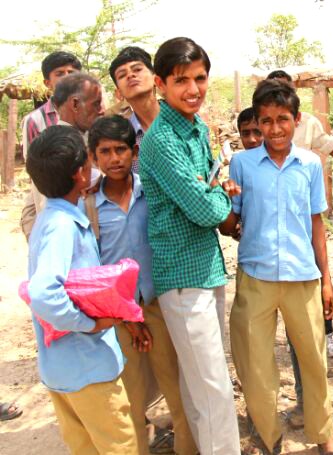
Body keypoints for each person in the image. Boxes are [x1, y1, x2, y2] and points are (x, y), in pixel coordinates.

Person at [222, 79, 333, 455]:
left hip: (303, 277)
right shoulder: (241, 164)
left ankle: (323, 434)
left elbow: (316, 224)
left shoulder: (309, 164)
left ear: (297, 120)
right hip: (255, 277)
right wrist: (222, 199)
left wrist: (327, 282)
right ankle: (268, 435)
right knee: (255, 365)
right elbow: (231, 226)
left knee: (313, 361)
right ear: (257, 123)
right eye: (266, 122)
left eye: (282, 120)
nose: (274, 129)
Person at [138, 37, 241, 455]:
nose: (193, 88)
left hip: (205, 268)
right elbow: (204, 208)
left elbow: (211, 186)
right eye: (181, 80)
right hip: (182, 277)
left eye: (199, 78)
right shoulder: (162, 140)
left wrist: (211, 189)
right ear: (161, 84)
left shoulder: (196, 128)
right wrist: (216, 194)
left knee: (203, 383)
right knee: (213, 385)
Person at [83, 116, 197, 455]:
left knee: (176, 387)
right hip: (117, 316)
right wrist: (123, 317)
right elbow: (93, 266)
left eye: (121, 149)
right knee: (130, 396)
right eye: (105, 152)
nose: (114, 158)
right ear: (93, 158)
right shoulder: (88, 206)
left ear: (135, 152)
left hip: (158, 302)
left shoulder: (152, 191)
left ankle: (188, 449)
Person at [25, 125, 138, 454]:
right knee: (120, 446)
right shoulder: (64, 226)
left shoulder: (50, 219)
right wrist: (89, 324)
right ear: (81, 172)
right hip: (89, 368)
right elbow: (45, 293)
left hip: (62, 370)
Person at [20, 51, 82, 239]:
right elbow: (35, 170)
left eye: (71, 72)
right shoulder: (34, 120)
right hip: (50, 202)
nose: (66, 77)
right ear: (48, 82)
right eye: (59, 73)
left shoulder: (92, 114)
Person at [109, 46, 160, 170]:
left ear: (155, 78)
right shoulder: (122, 137)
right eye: (122, 75)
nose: (130, 75)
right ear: (119, 93)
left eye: (137, 69)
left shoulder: (182, 119)